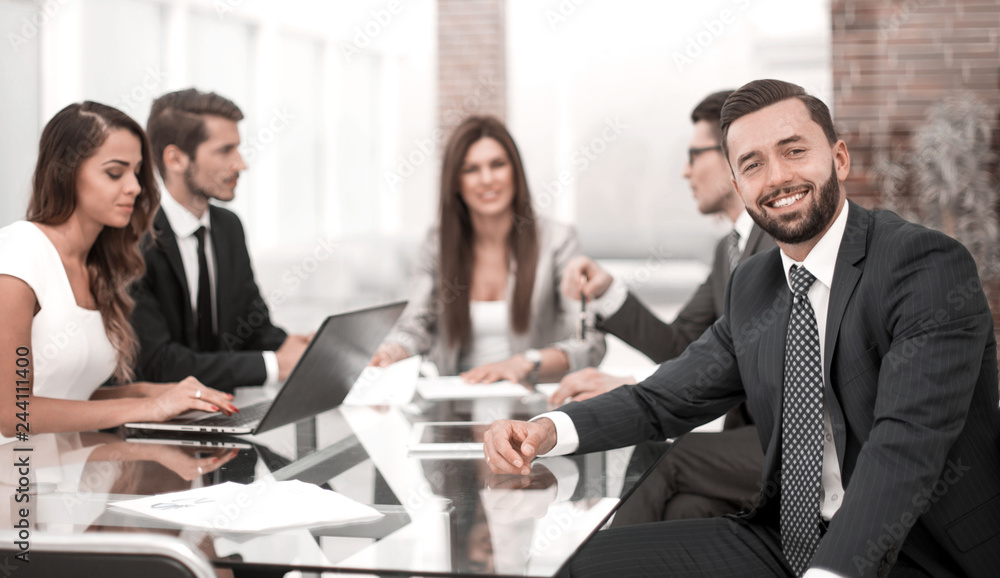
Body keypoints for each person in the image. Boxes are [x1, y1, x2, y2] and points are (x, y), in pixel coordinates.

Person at [483, 80, 1000, 577]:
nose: (775, 177)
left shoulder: (923, 264)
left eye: (794, 151)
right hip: (787, 539)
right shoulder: (756, 282)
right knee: (586, 564)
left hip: (914, 554)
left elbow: (902, 450)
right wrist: (546, 430)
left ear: (839, 159)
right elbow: (662, 400)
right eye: (753, 164)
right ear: (739, 186)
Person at [555, 90, 776, 523]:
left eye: (694, 155)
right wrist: (606, 292)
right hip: (747, 444)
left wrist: (635, 385)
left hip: (785, 441)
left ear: (734, 153)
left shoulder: (778, 243)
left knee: (663, 461)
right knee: (685, 509)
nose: (684, 171)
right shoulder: (725, 251)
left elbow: (761, 365)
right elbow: (681, 346)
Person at [0, 101, 237, 441]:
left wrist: (152, 394)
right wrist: (146, 408)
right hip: (14, 480)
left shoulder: (98, 266)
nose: (135, 187)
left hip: (64, 476)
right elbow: (13, 413)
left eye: (137, 172)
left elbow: (71, 398)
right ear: (65, 172)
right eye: (115, 172)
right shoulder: (18, 253)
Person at [370, 116, 605, 382]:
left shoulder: (558, 240)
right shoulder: (437, 243)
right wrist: (391, 352)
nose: (487, 179)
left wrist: (524, 363)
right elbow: (415, 326)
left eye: (498, 165)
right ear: (456, 181)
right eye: (470, 169)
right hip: (456, 401)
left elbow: (590, 343)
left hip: (534, 409)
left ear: (515, 171)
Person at [131, 89, 309, 393]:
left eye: (237, 149)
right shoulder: (133, 238)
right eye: (225, 151)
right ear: (175, 159)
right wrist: (275, 365)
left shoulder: (228, 227)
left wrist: (299, 349)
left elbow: (252, 328)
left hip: (220, 412)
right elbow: (157, 363)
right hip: (149, 425)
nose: (241, 164)